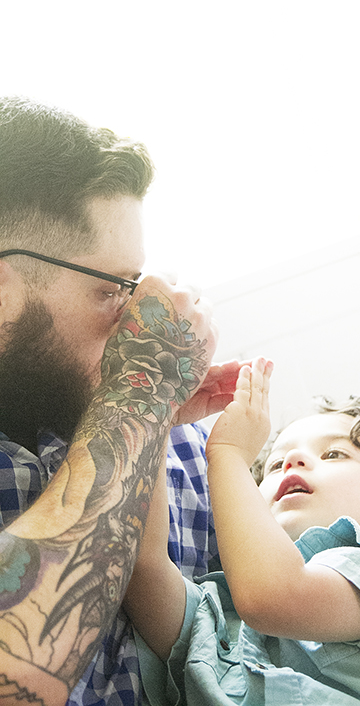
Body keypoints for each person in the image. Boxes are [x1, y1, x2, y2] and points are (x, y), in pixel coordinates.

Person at [0, 99, 242, 705]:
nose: (138, 319)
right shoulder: (140, 398)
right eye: (112, 289)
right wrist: (140, 398)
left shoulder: (179, 439)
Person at [123, 379, 360, 705]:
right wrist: (156, 418)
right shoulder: (216, 606)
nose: (293, 459)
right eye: (275, 465)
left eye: (333, 454)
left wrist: (228, 455)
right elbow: (141, 566)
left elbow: (273, 597)